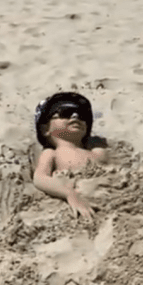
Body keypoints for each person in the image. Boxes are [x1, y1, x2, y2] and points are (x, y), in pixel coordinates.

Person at [32, 92, 108, 220]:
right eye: (65, 112)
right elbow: (40, 178)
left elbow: (121, 174)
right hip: (80, 199)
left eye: (82, 115)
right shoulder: (52, 153)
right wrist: (69, 194)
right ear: (45, 129)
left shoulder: (98, 151)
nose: (75, 115)